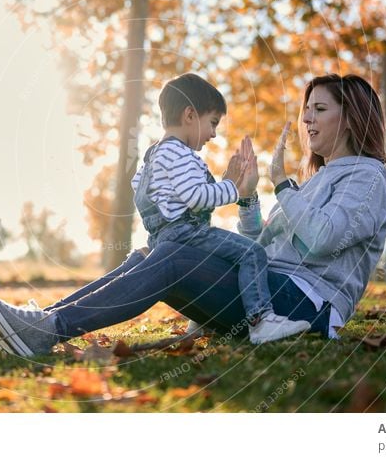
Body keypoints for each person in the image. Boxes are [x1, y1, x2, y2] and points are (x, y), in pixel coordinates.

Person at [0, 73, 386, 358]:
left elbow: (322, 239)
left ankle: (47, 330)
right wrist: (245, 197)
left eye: (320, 109)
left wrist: (281, 183)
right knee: (149, 254)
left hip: (310, 307)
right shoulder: (316, 181)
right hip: (272, 297)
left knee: (178, 256)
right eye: (306, 110)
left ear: (352, 118)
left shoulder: (368, 178)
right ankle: (41, 320)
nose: (307, 119)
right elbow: (260, 247)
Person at [131, 73, 310, 343]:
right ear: (190, 115)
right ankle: (261, 320)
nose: (214, 134)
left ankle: (202, 321)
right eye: (212, 123)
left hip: (160, 236)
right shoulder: (179, 153)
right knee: (252, 252)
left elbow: (138, 186)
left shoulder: (154, 153)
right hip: (186, 232)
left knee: (221, 263)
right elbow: (195, 196)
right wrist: (233, 188)